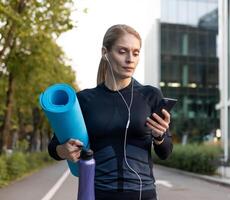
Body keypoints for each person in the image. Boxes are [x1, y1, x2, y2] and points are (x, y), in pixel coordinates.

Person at [48, 24, 173, 200]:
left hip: (143, 195)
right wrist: (64, 150)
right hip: (97, 194)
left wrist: (159, 137)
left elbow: (165, 152)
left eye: (135, 53)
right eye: (122, 51)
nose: (130, 59)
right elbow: (53, 148)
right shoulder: (85, 100)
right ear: (105, 53)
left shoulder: (150, 96)